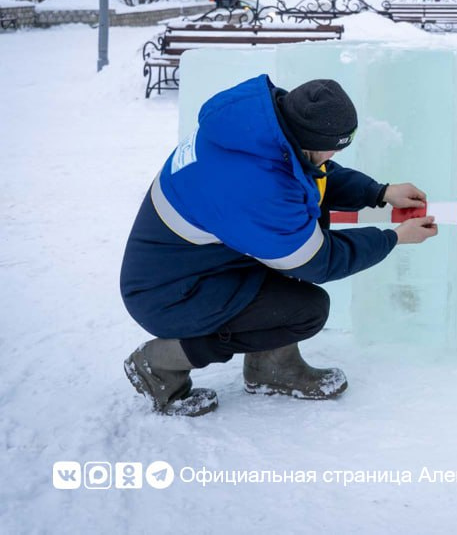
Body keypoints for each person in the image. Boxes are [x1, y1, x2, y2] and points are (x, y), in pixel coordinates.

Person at [120, 76, 437, 416]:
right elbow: (319, 261)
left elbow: (312, 175)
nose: (334, 155)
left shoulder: (260, 132)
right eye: (334, 147)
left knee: (297, 246)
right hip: (169, 294)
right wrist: (394, 238)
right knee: (305, 310)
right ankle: (160, 364)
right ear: (309, 139)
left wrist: (379, 192)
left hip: (194, 265)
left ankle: (270, 367)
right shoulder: (256, 185)